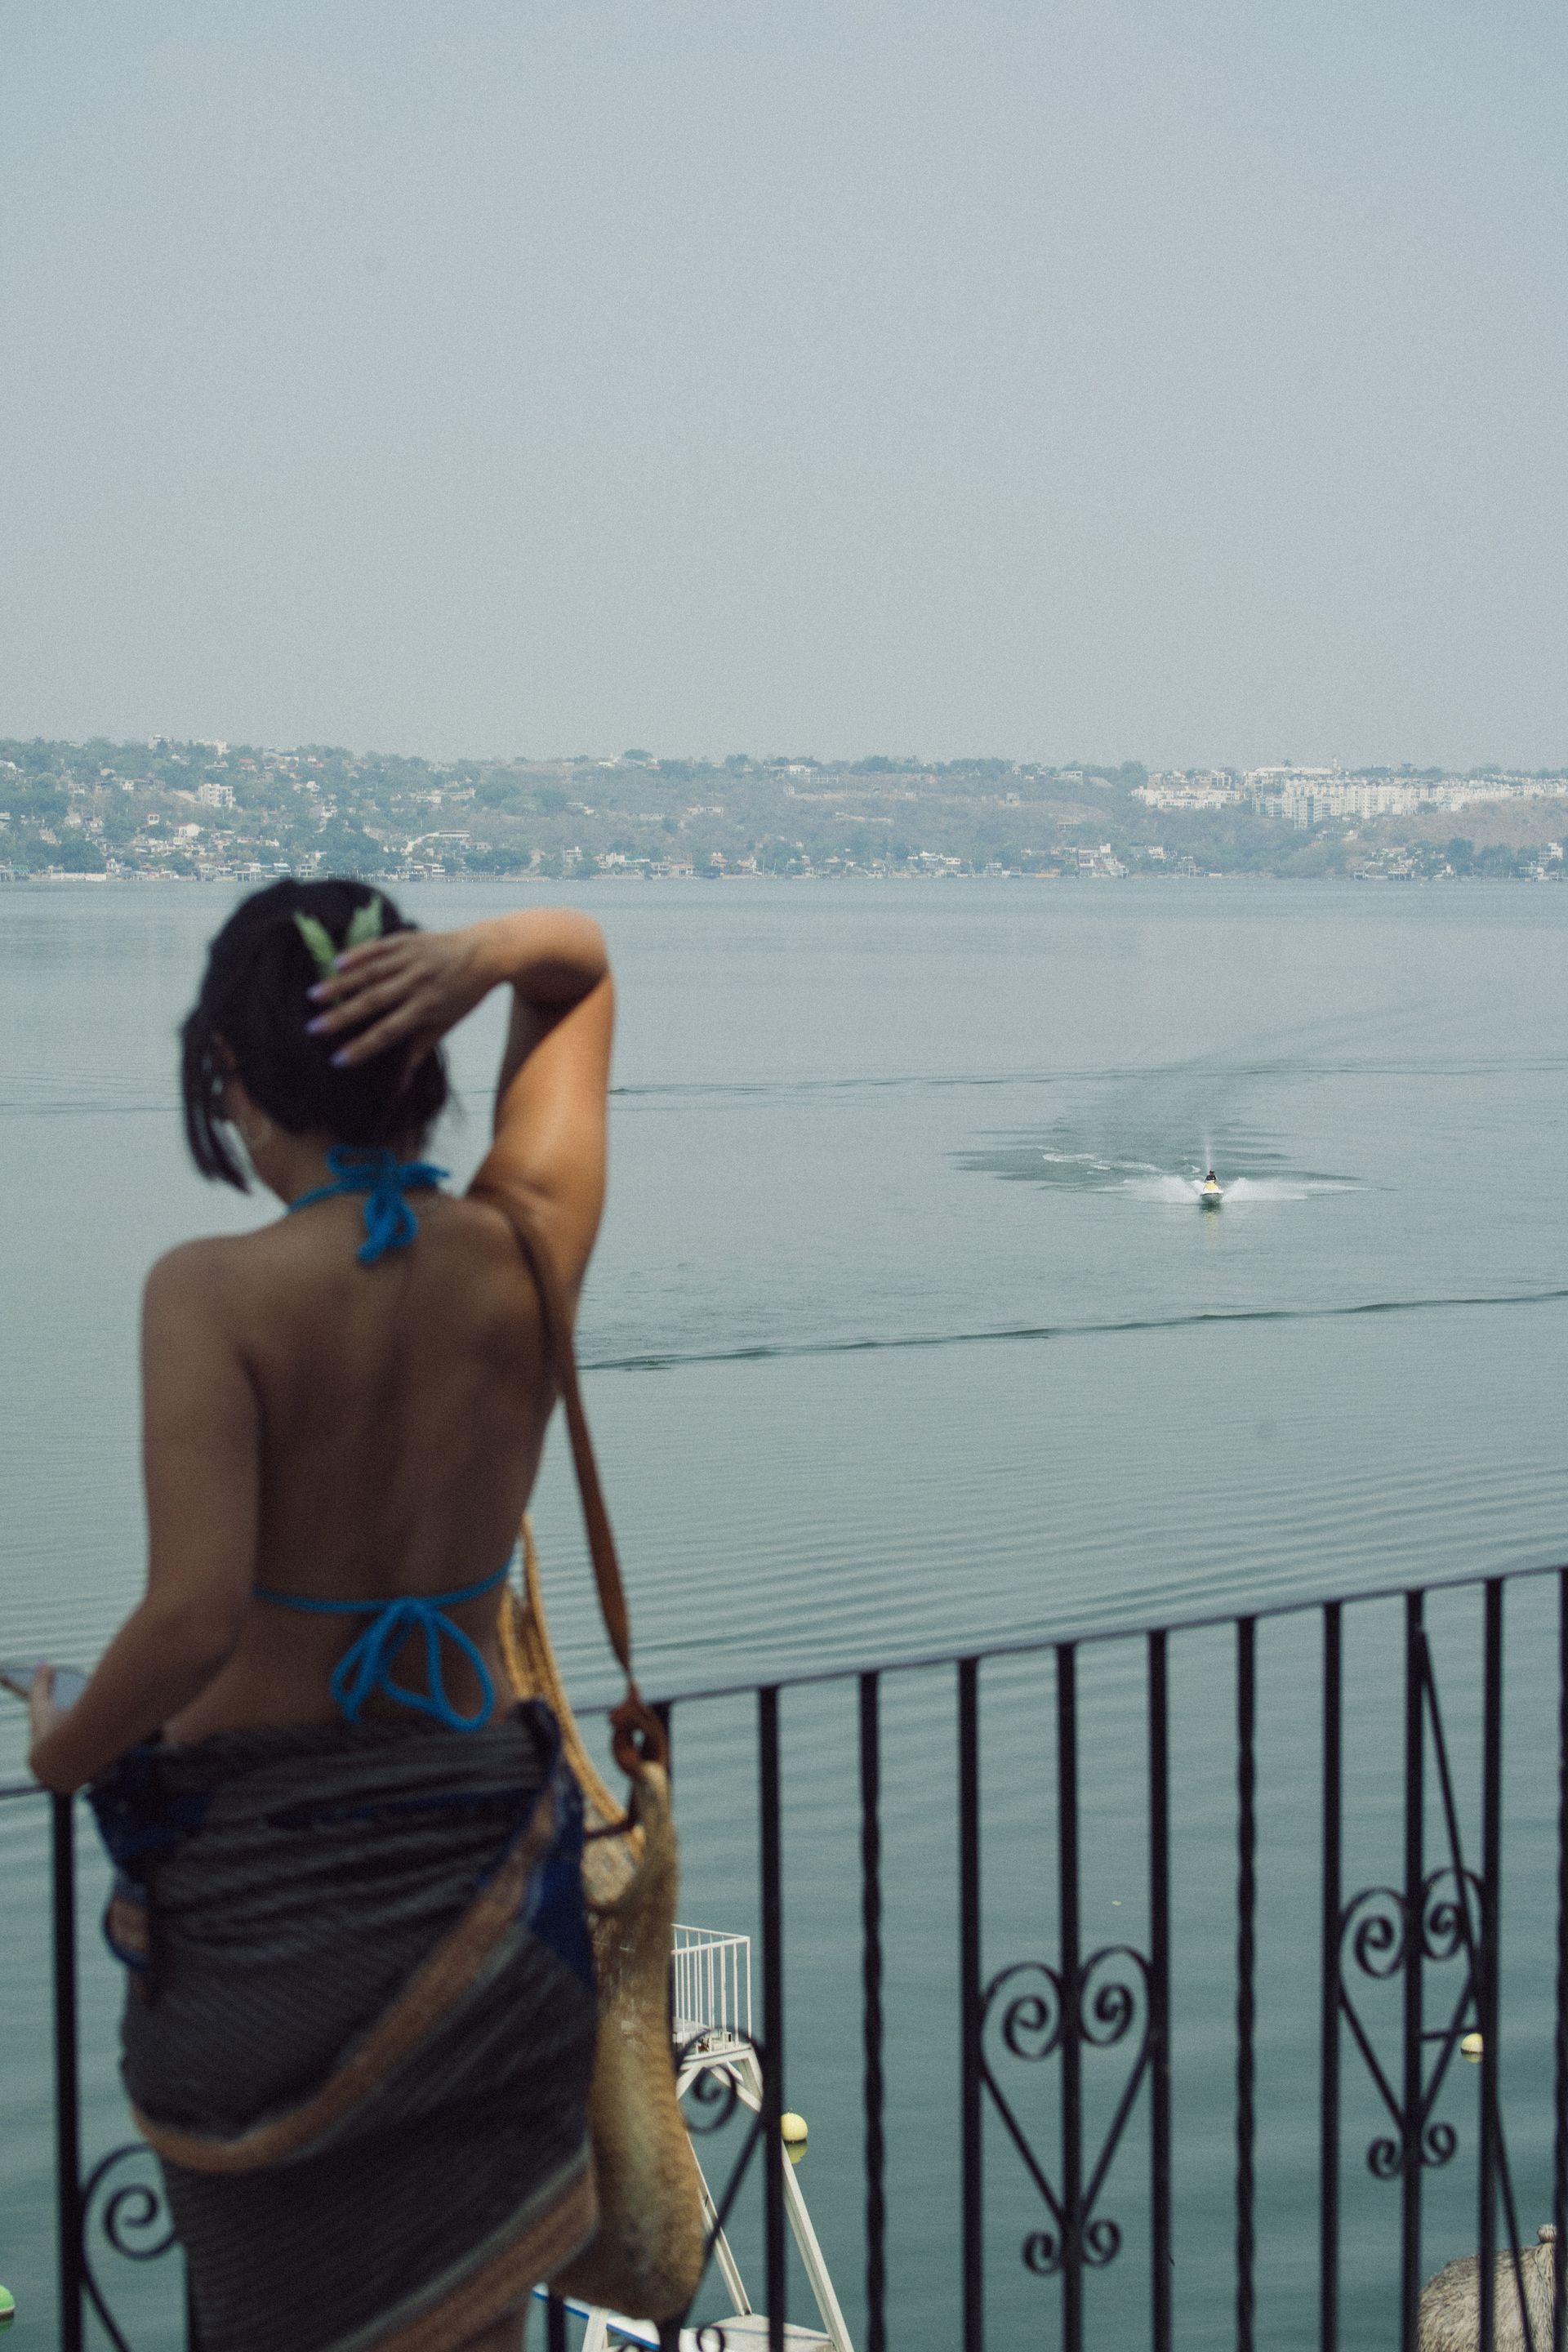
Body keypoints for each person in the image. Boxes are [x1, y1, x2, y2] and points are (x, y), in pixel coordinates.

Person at [28, 878, 616, 2352]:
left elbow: (193, 1620)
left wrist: (59, 1749)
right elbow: (583, 976)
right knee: (468, 2306)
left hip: (269, 1929)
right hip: (478, 1888)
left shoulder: (210, 1295)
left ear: (227, 1081)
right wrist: (482, 958)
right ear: (423, 1053)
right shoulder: (526, 1244)